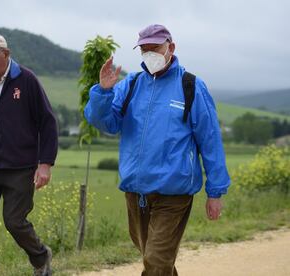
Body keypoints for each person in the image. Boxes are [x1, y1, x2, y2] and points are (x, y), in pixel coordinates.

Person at [84, 24, 230, 276]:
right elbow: (106, 123)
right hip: (136, 190)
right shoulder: (130, 84)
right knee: (155, 259)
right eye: (144, 49)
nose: (149, 53)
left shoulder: (191, 86)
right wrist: (104, 92)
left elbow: (210, 140)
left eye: (155, 47)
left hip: (174, 192)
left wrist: (215, 191)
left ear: (170, 48)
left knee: (155, 259)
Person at [0, 33, 58, 276]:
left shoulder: (26, 80)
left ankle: (40, 256)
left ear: (6, 54)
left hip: (20, 167)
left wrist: (45, 163)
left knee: (14, 222)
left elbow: (47, 122)